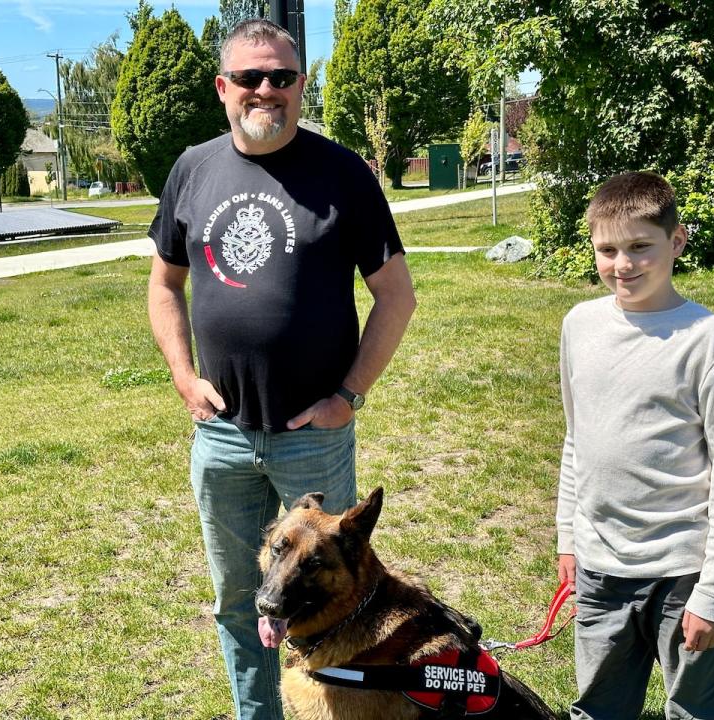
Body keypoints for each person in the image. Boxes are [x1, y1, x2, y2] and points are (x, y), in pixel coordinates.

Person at [146, 19, 416, 720]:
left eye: (283, 78)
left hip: (312, 436)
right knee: (242, 600)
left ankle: (332, 710)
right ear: (223, 88)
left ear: (301, 85)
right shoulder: (193, 169)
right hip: (223, 435)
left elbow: (396, 295)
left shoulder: (343, 175)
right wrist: (182, 374)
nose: (266, 91)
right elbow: (163, 284)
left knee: (330, 602)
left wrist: (349, 396)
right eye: (249, 78)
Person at [554, 171, 714, 720]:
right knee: (599, 709)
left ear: (678, 240)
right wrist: (568, 539)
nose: (623, 264)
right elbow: (578, 440)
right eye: (608, 249)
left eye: (641, 247)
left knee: (695, 712)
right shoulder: (579, 325)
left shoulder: (707, 337)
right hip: (600, 570)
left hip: (683, 574)